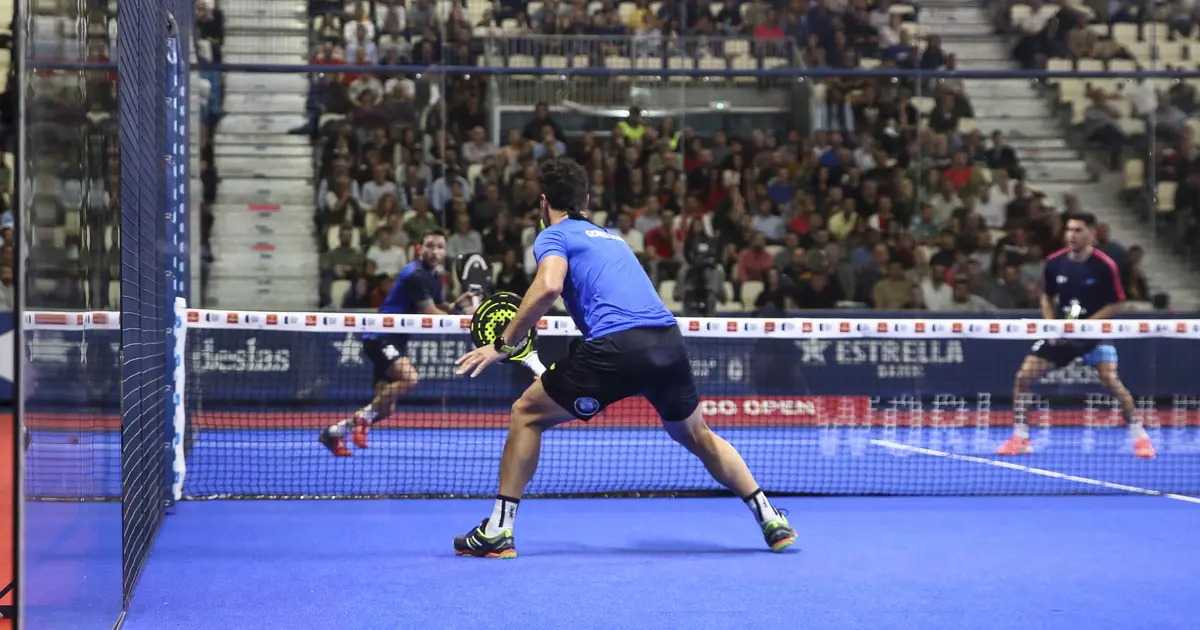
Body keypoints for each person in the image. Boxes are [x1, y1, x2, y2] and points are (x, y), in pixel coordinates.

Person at [451, 158, 797, 558]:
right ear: (586, 201)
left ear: (544, 203)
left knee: (526, 414)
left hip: (616, 347)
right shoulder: (611, 237)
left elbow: (548, 286)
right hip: (667, 342)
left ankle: (498, 530)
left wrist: (503, 344)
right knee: (698, 434)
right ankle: (770, 516)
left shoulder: (553, 235)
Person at [996, 212, 1155, 459]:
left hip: (1095, 334)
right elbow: (1046, 297)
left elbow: (1116, 303)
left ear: (1091, 233)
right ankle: (1020, 438)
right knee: (1023, 377)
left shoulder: (1105, 265)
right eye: (1069, 230)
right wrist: (1051, 326)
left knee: (1110, 380)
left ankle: (1140, 438)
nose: (1071, 235)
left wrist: (1088, 326)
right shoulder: (1054, 263)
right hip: (1063, 333)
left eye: (1078, 230)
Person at [319, 228, 477, 456]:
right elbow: (431, 313)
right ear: (419, 249)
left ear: (445, 252)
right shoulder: (414, 274)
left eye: (440, 247)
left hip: (397, 340)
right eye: (430, 246)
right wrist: (466, 320)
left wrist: (456, 305)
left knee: (385, 409)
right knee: (410, 378)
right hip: (380, 336)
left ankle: (333, 433)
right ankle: (363, 419)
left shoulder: (435, 277)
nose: (435, 251)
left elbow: (440, 307)